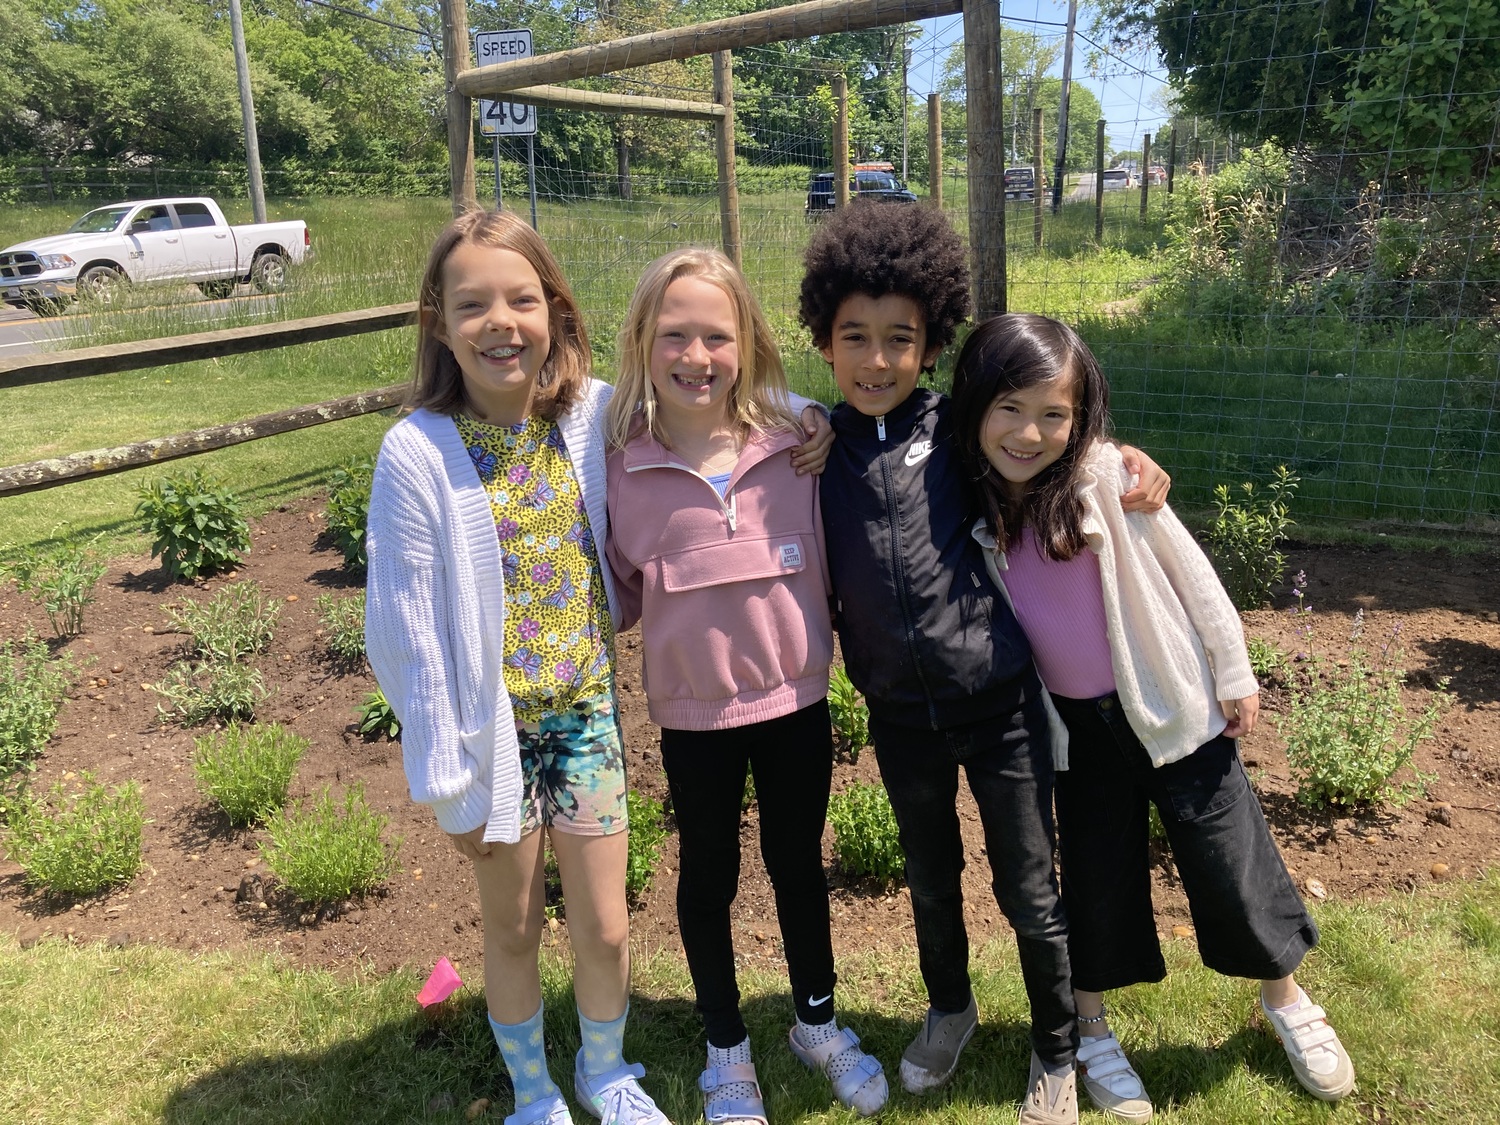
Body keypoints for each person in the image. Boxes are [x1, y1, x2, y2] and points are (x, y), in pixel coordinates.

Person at [799, 200, 1171, 1125]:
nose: (878, 360)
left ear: (931, 346)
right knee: (930, 879)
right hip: (898, 716)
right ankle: (950, 1010)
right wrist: (794, 423)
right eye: (856, 338)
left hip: (1000, 706)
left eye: (901, 339)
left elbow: (1045, 443)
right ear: (824, 340)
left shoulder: (959, 433)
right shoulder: (808, 448)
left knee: (1026, 882)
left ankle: (1056, 1049)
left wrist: (1124, 457)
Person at [948, 312, 1355, 1121]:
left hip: (1174, 707)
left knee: (1228, 857)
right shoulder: (968, 499)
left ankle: (1286, 998)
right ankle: (1090, 1029)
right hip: (1076, 733)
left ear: (1083, 415)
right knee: (1096, 878)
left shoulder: (1107, 478)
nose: (1030, 433)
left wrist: (1233, 670)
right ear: (975, 407)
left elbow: (1193, 575)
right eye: (1010, 409)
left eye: (1053, 413)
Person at [364, 209, 671, 1125]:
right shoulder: (416, 452)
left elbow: (711, 413)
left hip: (584, 715)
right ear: (439, 322)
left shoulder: (595, 418)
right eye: (473, 303)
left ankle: (606, 1073)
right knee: (513, 925)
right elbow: (406, 636)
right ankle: (533, 1093)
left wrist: (810, 423)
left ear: (556, 312)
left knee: (606, 923)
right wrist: (446, 780)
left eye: (522, 299)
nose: (501, 322)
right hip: (490, 734)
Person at [604, 247, 884, 1125]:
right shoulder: (619, 464)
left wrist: (810, 415)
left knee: (800, 865)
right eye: (675, 335)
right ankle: (726, 1050)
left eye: (717, 336)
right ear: (645, 343)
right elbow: (608, 586)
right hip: (695, 720)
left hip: (795, 705)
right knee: (709, 876)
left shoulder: (795, 443)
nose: (697, 356)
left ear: (749, 343)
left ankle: (815, 1021)